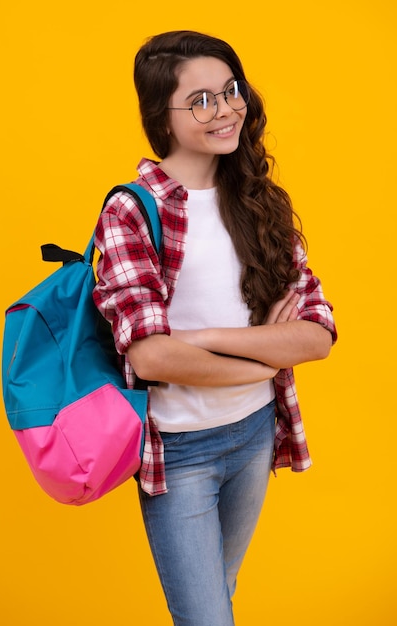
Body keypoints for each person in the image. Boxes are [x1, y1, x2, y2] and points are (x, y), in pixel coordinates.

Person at [93, 30, 337, 626]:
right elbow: (150, 360)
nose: (226, 110)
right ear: (163, 117)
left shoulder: (258, 201)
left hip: (254, 434)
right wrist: (267, 358)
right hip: (179, 453)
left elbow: (318, 333)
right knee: (207, 617)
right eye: (200, 100)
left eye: (231, 91)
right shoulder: (131, 210)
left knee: (217, 598)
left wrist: (200, 340)